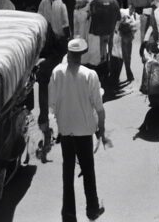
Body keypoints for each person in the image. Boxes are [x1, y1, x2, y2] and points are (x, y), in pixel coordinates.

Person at [50, 37, 108, 222]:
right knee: (88, 171)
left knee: (67, 172)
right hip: (84, 132)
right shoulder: (90, 75)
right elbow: (99, 107)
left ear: (68, 54)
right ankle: (92, 208)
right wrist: (101, 128)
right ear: (81, 55)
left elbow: (51, 103)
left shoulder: (56, 73)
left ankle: (68, 215)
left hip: (66, 131)